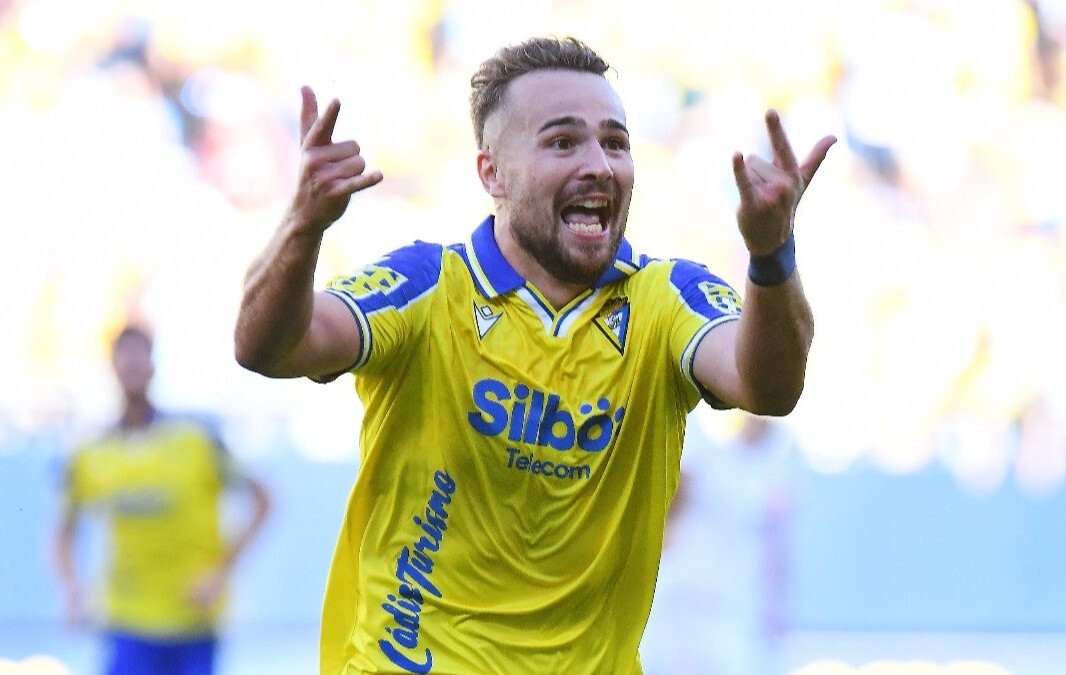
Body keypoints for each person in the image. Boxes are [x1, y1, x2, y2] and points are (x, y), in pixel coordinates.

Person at [234, 35, 834, 674]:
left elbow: (769, 389)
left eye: (615, 141)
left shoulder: (666, 301)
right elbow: (269, 347)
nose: (599, 164)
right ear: (491, 171)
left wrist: (771, 255)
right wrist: (302, 226)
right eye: (563, 141)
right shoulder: (427, 288)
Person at [55, 325, 271, 675]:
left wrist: (221, 574)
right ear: (112, 369)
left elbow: (263, 499)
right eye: (124, 361)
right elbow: (62, 530)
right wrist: (72, 589)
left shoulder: (197, 439)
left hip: (193, 622)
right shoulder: (92, 453)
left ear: (153, 367)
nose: (132, 369)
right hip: (128, 621)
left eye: (139, 359)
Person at [641, 414, 798, 675]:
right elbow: (663, 512)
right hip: (685, 610)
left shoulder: (776, 457)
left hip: (739, 616)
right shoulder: (698, 434)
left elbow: (775, 553)